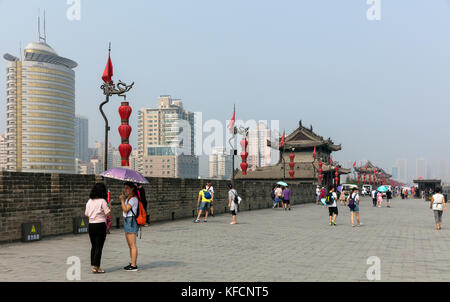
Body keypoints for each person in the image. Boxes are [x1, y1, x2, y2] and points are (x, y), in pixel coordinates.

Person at [85, 183, 111, 274]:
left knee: (94, 246)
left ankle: (94, 265)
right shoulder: (102, 201)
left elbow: (87, 214)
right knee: (99, 247)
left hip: (91, 225)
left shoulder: (89, 201)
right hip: (100, 225)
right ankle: (96, 267)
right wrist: (109, 207)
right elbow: (107, 213)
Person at [120, 182, 140, 272]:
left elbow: (125, 209)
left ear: (132, 189)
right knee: (129, 245)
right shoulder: (129, 198)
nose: (125, 190)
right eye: (124, 188)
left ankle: (134, 265)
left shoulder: (133, 199)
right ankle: (132, 262)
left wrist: (121, 200)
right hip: (127, 220)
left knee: (132, 245)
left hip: (131, 221)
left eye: (127, 188)